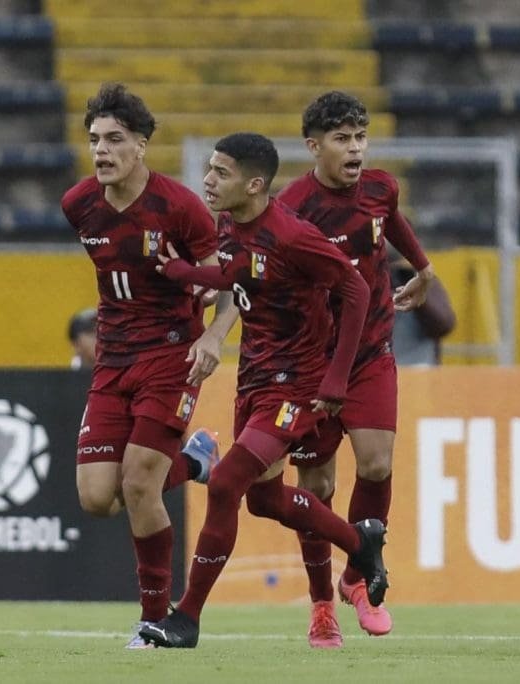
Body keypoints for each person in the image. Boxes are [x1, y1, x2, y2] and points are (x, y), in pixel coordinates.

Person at [138, 132, 388, 649]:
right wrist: (186, 272)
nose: (208, 180)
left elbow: (356, 288)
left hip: (295, 384)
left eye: (221, 172)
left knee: (226, 483)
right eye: (209, 168)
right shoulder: (230, 224)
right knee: (265, 500)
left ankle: (187, 618)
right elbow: (242, 273)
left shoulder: (293, 235)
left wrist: (337, 378)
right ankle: (358, 541)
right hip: (254, 376)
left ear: (254, 185)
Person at [61, 83, 238, 649]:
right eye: (94, 139)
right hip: (113, 361)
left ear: (141, 145)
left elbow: (229, 282)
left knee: (139, 483)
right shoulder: (78, 204)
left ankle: (154, 620)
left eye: (115, 139)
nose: (102, 150)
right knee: (97, 498)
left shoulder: (179, 207)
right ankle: (195, 460)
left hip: (170, 356)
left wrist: (213, 335)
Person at [276, 90, 438, 646]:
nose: (355, 149)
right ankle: (322, 604)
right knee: (316, 484)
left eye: (360, 138)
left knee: (376, 462)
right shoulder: (293, 208)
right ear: (313, 146)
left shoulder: (380, 188)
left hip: (370, 350)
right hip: (313, 359)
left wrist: (422, 266)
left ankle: (357, 577)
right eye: (342, 139)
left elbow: (390, 220)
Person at [389, 256, 456, 366]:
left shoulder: (423, 280)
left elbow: (445, 325)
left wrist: (417, 292)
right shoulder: (370, 283)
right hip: (383, 368)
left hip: (420, 366)